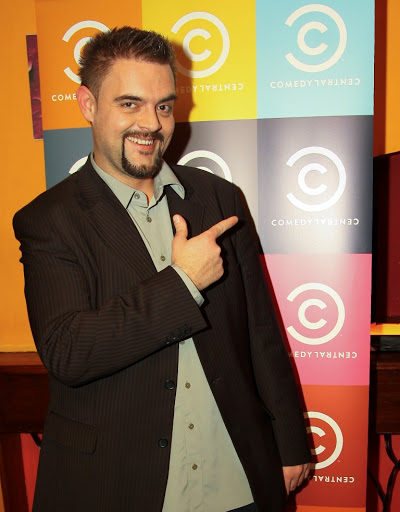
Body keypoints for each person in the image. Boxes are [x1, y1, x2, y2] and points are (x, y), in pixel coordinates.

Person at [13, 26, 311, 512]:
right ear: (88, 104)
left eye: (164, 106)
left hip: (233, 474)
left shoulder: (219, 197)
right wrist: (182, 282)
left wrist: (290, 441)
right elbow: (69, 351)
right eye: (130, 104)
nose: (151, 123)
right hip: (117, 483)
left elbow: (260, 333)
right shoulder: (49, 220)